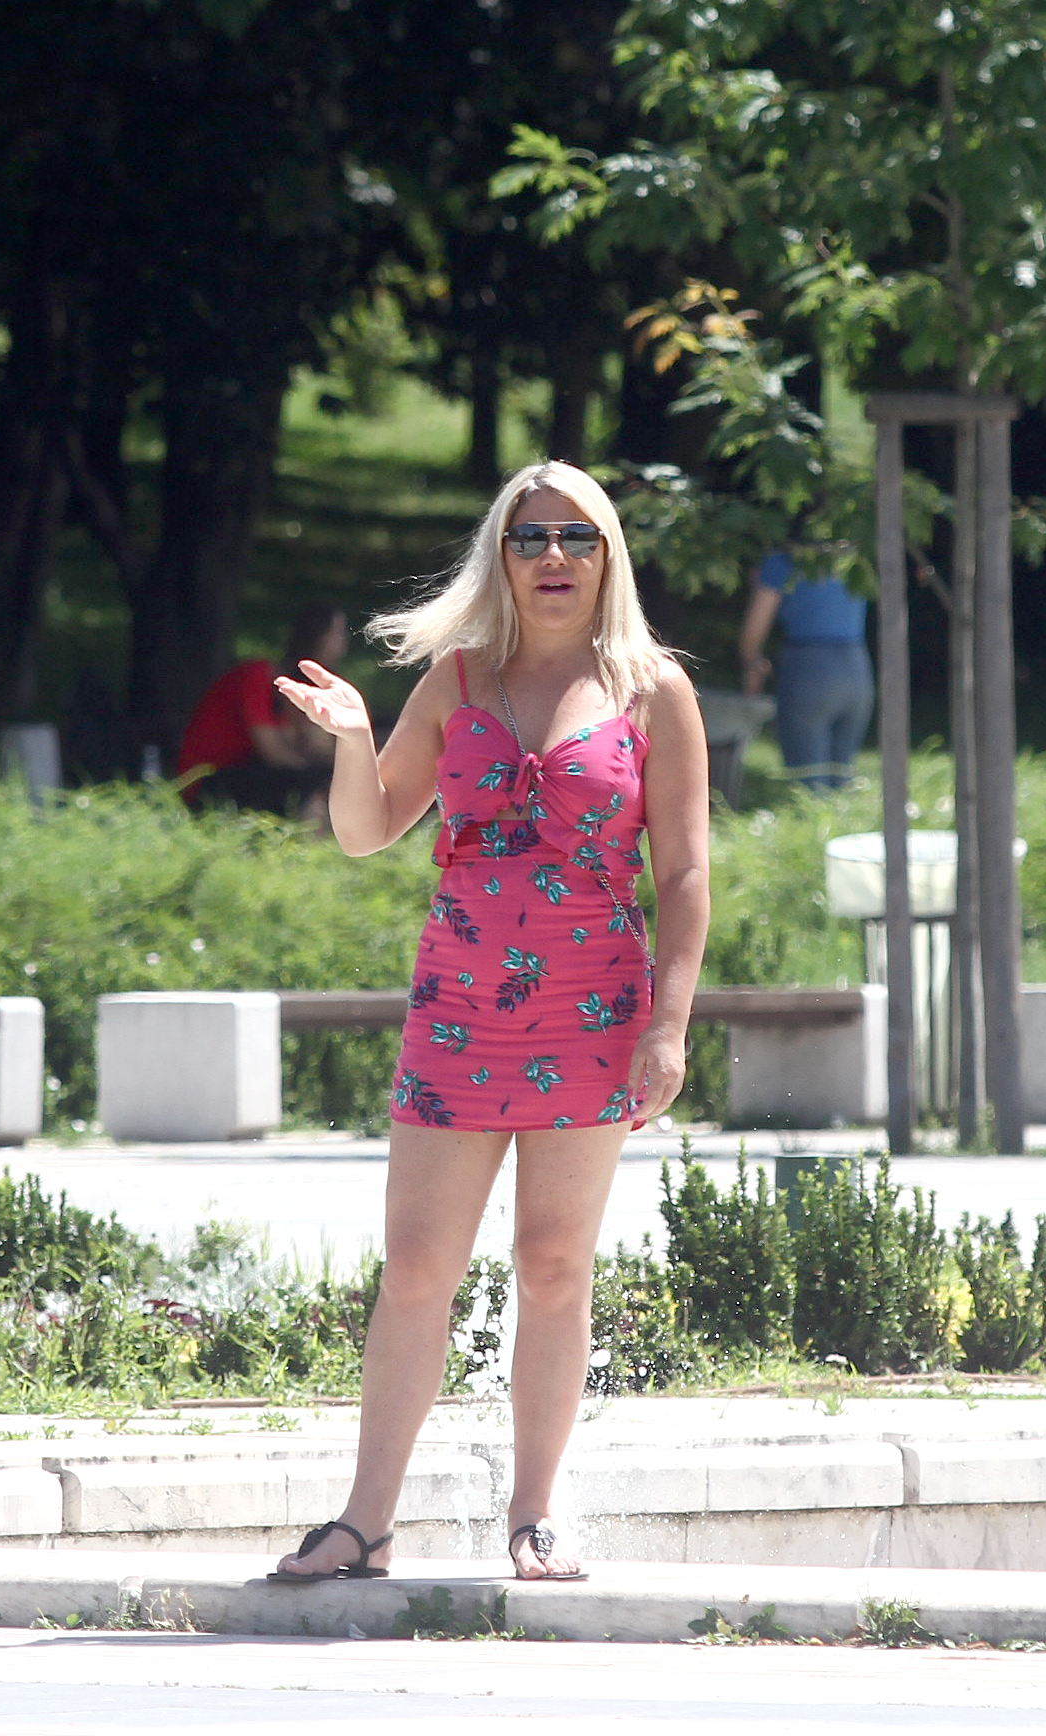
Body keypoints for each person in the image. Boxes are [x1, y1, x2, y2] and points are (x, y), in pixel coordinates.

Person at [267, 460, 709, 1586]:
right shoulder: (456, 680)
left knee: (554, 1264)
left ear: (607, 556)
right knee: (418, 1265)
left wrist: (669, 1025)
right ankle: (365, 1522)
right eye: (530, 537)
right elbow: (368, 829)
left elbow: (685, 872)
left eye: (576, 536)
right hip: (459, 1008)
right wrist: (354, 734)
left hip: (592, 1009)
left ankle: (536, 1516)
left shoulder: (654, 690)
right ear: (500, 558)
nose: (554, 556)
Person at [177, 605, 349, 819]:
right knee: (309, 782)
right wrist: (326, 771)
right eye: (338, 633)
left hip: (239, 770)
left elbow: (302, 744)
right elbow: (273, 751)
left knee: (318, 779)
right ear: (318, 637)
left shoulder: (286, 687)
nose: (343, 643)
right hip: (205, 781)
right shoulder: (257, 676)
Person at [738, 549, 872, 789]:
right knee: (842, 777)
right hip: (857, 666)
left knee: (808, 781)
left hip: (808, 668)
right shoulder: (853, 558)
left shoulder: (782, 562)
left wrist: (752, 661)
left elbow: (755, 629)